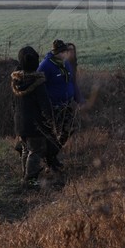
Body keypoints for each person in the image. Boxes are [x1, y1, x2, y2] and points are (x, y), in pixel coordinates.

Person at [11, 46, 54, 188]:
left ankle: (25, 176)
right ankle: (30, 180)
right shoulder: (38, 83)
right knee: (35, 151)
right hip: (35, 125)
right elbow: (45, 105)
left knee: (25, 150)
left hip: (19, 123)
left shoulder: (16, 82)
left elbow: (13, 104)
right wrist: (51, 122)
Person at [37, 39, 76, 171]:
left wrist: (75, 97)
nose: (66, 54)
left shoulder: (65, 64)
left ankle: (52, 156)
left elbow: (70, 82)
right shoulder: (46, 65)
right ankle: (50, 159)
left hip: (66, 104)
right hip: (54, 106)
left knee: (69, 129)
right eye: (63, 52)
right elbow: (38, 85)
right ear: (57, 53)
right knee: (55, 133)